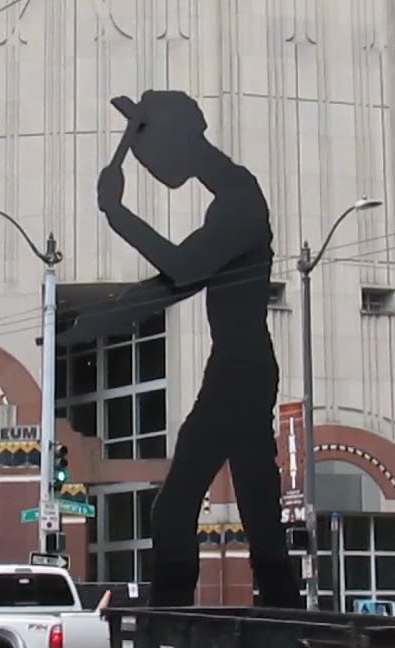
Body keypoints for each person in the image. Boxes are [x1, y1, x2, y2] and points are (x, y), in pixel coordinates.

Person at [58, 90, 302, 609]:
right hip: (239, 368)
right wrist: (89, 324)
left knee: (179, 509)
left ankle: (171, 621)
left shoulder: (239, 198)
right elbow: (173, 285)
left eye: (150, 153)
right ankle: (282, 613)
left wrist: (117, 214)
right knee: (256, 508)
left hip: (240, 371)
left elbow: (183, 270)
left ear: (178, 141)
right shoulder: (234, 196)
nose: (147, 165)